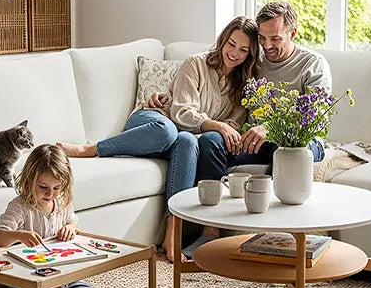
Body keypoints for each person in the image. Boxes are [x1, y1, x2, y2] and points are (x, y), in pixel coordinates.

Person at [58, 16, 260, 262]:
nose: (234, 53)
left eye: (243, 50)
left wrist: (219, 128)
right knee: (170, 132)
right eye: (231, 44)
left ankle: (172, 233)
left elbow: (233, 125)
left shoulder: (244, 86)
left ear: (250, 55)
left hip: (184, 138)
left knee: (186, 141)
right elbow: (181, 113)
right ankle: (92, 149)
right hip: (152, 123)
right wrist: (215, 124)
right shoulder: (196, 64)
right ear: (222, 40)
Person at [195, 0, 331, 181]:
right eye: (261, 38)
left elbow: (315, 117)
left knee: (286, 147)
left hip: (302, 140)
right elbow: (216, 75)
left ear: (293, 34)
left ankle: (270, 202)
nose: (266, 46)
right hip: (256, 142)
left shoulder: (313, 64)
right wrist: (169, 95)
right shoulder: (252, 60)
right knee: (210, 141)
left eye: (275, 39)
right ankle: (218, 203)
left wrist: (271, 128)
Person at [0, 144, 101, 288]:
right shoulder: (20, 207)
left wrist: (71, 228)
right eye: (43, 187)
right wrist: (19, 235)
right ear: (29, 180)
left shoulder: (62, 202)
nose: (51, 194)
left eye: (57, 187)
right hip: (29, 278)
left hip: (60, 276)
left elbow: (72, 222)